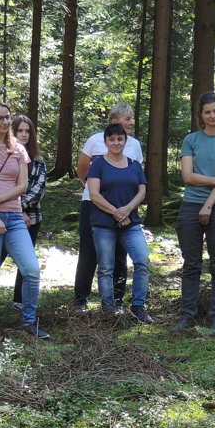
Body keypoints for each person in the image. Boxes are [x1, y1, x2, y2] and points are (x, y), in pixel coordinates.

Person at [0, 100, 49, 340]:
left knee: (31, 269)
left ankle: (29, 321)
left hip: (14, 217)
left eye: (7, 117)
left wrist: (0, 201)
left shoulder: (19, 150)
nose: (4, 122)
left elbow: (23, 185)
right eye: (0, 117)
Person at [175, 92, 215, 334]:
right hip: (190, 206)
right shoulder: (191, 140)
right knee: (191, 264)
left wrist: (208, 205)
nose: (212, 116)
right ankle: (187, 317)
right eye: (207, 112)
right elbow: (188, 177)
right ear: (200, 115)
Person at [74, 104, 143, 310]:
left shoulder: (134, 145)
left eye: (132, 118)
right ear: (115, 121)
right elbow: (82, 170)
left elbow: (137, 174)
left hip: (125, 206)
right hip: (93, 204)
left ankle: (117, 300)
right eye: (127, 118)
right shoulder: (95, 140)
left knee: (120, 253)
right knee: (89, 252)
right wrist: (96, 192)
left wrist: (125, 208)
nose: (131, 122)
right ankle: (81, 299)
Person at [87, 122, 152, 322]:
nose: (116, 143)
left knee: (142, 260)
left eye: (120, 139)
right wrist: (116, 212)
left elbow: (142, 191)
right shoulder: (98, 163)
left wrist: (127, 210)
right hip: (103, 224)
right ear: (106, 141)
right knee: (106, 268)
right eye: (112, 139)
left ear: (125, 141)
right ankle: (109, 309)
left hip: (130, 223)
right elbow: (94, 194)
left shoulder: (134, 164)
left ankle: (138, 306)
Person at [0, 114, 47, 307]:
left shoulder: (38, 161)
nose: (24, 135)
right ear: (12, 131)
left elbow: (37, 189)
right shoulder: (3, 156)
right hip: (2, 215)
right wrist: (16, 209)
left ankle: (20, 299)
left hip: (31, 217)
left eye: (28, 131)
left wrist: (19, 208)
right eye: (20, 130)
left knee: (26, 260)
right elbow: (0, 187)